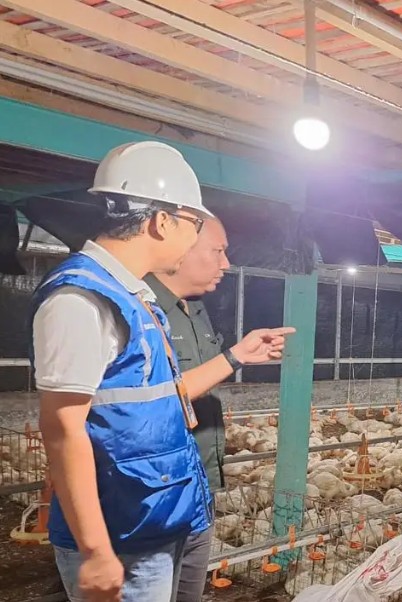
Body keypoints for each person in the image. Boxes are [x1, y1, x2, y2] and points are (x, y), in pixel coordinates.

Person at [30, 141, 294, 602]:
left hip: (157, 517)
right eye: (195, 225)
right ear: (162, 221)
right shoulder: (82, 300)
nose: (196, 240)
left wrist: (236, 356)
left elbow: (162, 399)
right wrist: (95, 550)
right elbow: (61, 427)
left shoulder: (134, 297)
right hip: (122, 534)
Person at [144, 217, 232, 602]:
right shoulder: (139, 307)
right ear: (181, 248)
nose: (226, 263)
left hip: (200, 484)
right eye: (218, 251)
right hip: (155, 492)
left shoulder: (195, 309)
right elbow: (155, 400)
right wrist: (236, 357)